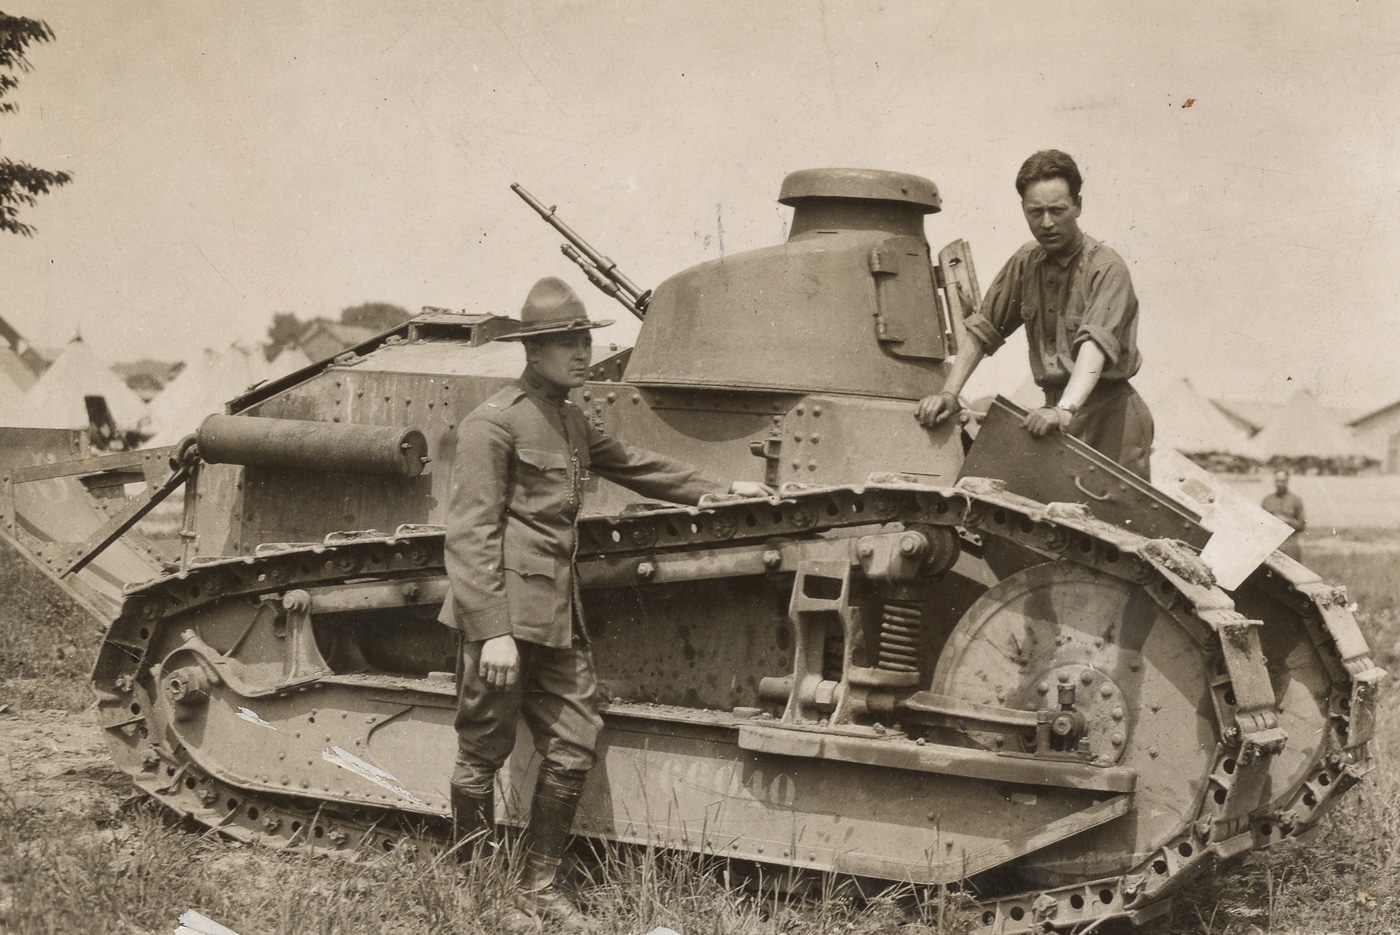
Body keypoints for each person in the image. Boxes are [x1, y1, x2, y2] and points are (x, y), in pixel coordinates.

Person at [439, 276, 771, 930]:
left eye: (584, 337)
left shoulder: (569, 419)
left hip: (559, 618)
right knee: (483, 747)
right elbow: (470, 533)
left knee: (574, 738)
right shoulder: (494, 422)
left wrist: (716, 490)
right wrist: (494, 630)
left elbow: (638, 464)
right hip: (506, 618)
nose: (581, 350)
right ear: (532, 350)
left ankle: (539, 886)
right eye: (565, 340)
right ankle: (471, 885)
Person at [916, 149, 1155, 479]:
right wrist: (949, 393)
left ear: (1078, 206)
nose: (1046, 223)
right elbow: (983, 330)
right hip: (1053, 413)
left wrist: (1064, 410)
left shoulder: (1106, 268)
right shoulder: (1026, 262)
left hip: (1110, 421)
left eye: (1057, 210)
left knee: (1118, 525)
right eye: (1035, 212)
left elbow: (1094, 349)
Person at [1261, 468, 1306, 560]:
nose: (1279, 484)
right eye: (1277, 481)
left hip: (1290, 545)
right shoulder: (1267, 500)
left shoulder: (1295, 500)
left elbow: (1302, 525)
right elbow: (1260, 524)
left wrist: (1287, 521)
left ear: (1287, 481)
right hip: (1271, 545)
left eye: (1282, 481)